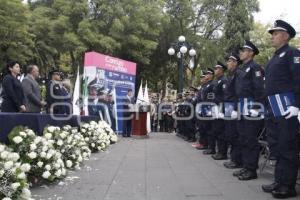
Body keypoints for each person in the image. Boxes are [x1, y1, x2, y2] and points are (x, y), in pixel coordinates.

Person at [262, 20, 300, 199]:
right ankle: (279, 180)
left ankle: (288, 186)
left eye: (275, 33)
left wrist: (296, 105)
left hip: (287, 106)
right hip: (273, 106)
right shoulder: (275, 57)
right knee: (276, 145)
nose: (273, 36)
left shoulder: (293, 53)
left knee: (287, 146)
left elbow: (298, 79)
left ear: (285, 36)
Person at [232, 40, 265, 181]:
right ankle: (246, 166)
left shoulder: (255, 67)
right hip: (242, 106)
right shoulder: (242, 69)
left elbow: (259, 89)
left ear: (251, 53)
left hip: (251, 107)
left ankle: (252, 170)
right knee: (243, 138)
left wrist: (257, 108)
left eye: (244, 50)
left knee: (251, 139)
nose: (241, 53)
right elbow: (237, 92)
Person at [223, 53, 243, 169]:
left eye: (230, 61)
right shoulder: (231, 75)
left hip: (233, 106)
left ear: (235, 63)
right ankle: (234, 158)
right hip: (228, 106)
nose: (228, 63)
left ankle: (236, 160)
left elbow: (238, 92)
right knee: (230, 133)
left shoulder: (239, 74)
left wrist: (236, 108)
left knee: (234, 134)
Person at [210, 61, 228, 160]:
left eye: (217, 68)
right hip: (216, 108)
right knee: (217, 130)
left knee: (221, 131)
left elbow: (225, 96)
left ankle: (222, 152)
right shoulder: (218, 81)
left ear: (221, 70)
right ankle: (219, 151)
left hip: (220, 108)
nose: (215, 70)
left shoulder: (224, 80)